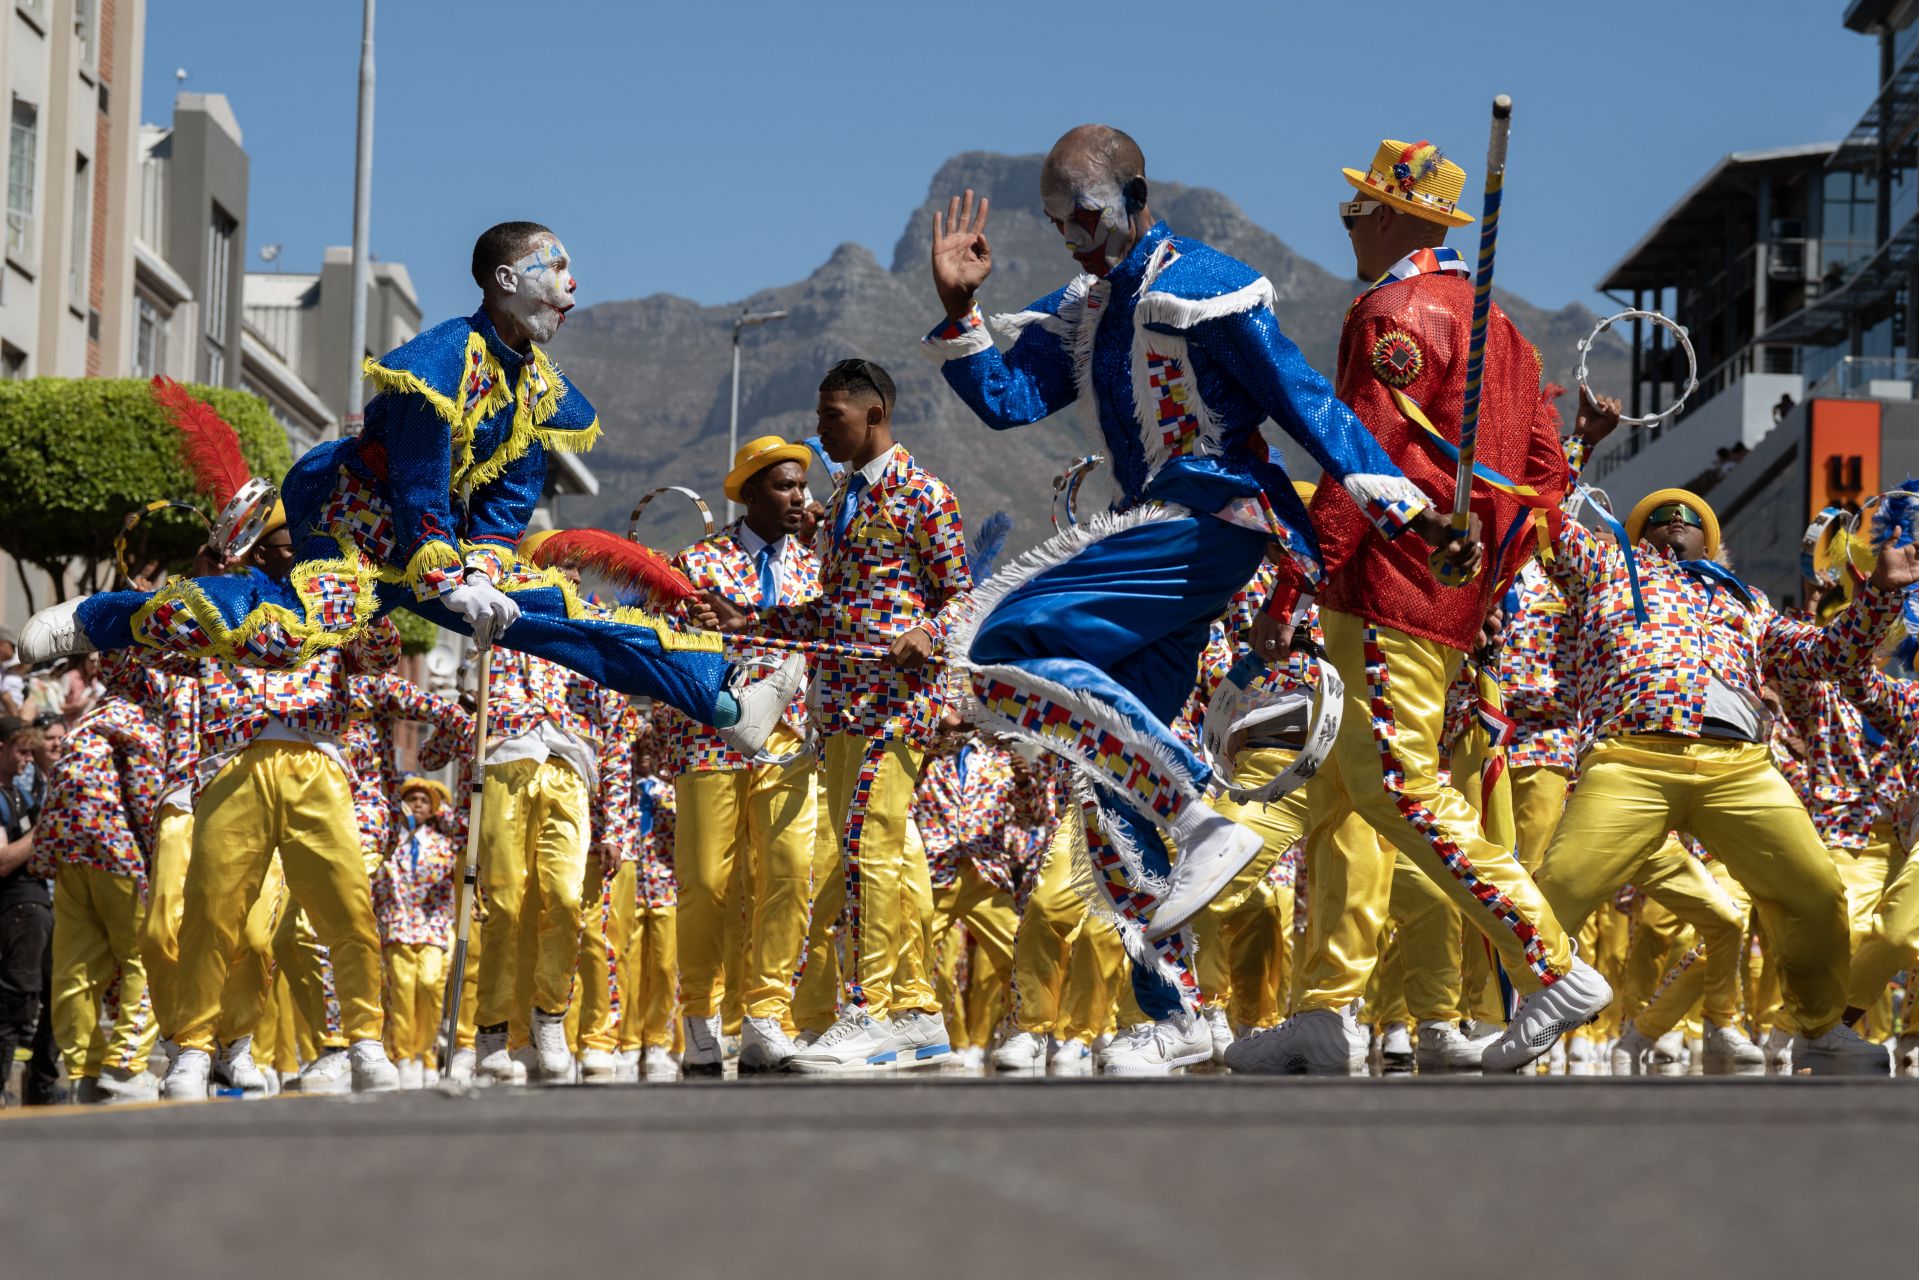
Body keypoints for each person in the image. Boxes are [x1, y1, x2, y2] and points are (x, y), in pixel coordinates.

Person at [921, 124, 1474, 1070]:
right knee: (1107, 777)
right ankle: (1179, 1013)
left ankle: (1200, 808)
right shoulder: (1089, 304)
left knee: (996, 642)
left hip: (1209, 517)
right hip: (1155, 526)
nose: (1074, 238)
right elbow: (1009, 402)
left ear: (1136, 198)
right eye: (1057, 224)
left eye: (1085, 215)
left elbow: (1305, 401)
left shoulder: (1206, 285)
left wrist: (1409, 511)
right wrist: (960, 309)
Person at [20, 222, 801, 756]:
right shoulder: (440, 362)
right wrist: (448, 576)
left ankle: (723, 701)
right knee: (281, 633)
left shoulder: (538, 387)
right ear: (507, 280)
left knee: (562, 618)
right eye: (555, 267)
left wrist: (485, 569)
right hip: (356, 526)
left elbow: (508, 498)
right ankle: (97, 618)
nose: (572, 282)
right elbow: (417, 480)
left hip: (445, 552)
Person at [1226, 136, 1607, 1077]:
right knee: (1340, 801)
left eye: (1356, 209)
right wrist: (1480, 571)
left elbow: (1358, 458)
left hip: (1384, 590)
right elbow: (1545, 484)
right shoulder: (1505, 332)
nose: (1346, 225)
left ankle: (1550, 965)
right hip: (1440, 597)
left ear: (1394, 216)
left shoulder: (1392, 313)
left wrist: (1293, 584)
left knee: (1399, 789)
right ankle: (1322, 1011)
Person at [1523, 472, 1917, 1075]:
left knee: (1816, 892)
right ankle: (1512, 1013)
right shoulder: (1605, 569)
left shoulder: (1747, 601)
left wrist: (1881, 594)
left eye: (1689, 520)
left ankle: (1817, 1030)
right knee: (1557, 887)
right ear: (1636, 537)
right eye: (1659, 519)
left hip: (1739, 765)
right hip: (1632, 754)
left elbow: (1827, 655)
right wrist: (1573, 445)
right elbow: (1544, 514)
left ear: (1711, 544)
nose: (1675, 523)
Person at [702, 361, 968, 1073]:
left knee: (868, 852)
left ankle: (870, 1011)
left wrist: (929, 633)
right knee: (869, 856)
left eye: (832, 417)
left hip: (894, 707)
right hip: (840, 705)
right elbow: (833, 613)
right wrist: (753, 620)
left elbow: (964, 598)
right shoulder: (847, 498)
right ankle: (916, 1016)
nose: (820, 431)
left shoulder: (924, 494)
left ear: (873, 414)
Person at [661, 435, 821, 1075]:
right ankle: (699, 1016)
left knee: (788, 874)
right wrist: (693, 630)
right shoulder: (696, 563)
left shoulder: (816, 569)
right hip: (711, 739)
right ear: (750, 493)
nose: (798, 497)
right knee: (705, 883)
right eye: (784, 486)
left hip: (790, 740)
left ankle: (765, 1016)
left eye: (802, 486)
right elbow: (664, 645)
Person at [371, 777, 459, 1088]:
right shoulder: (387, 843)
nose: (418, 804)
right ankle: (403, 1056)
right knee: (402, 989)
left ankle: (426, 1055)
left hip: (432, 927)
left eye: (424, 801)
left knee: (430, 985)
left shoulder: (445, 845)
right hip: (396, 925)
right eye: (412, 799)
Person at [0, 717, 46, 1104]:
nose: (28, 759)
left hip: (36, 907)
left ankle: (41, 1087)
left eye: (32, 752)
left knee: (43, 997)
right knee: (16, 1000)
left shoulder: (19, 794)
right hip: (17, 909)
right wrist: (43, 830)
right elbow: (2, 860)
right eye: (22, 751)